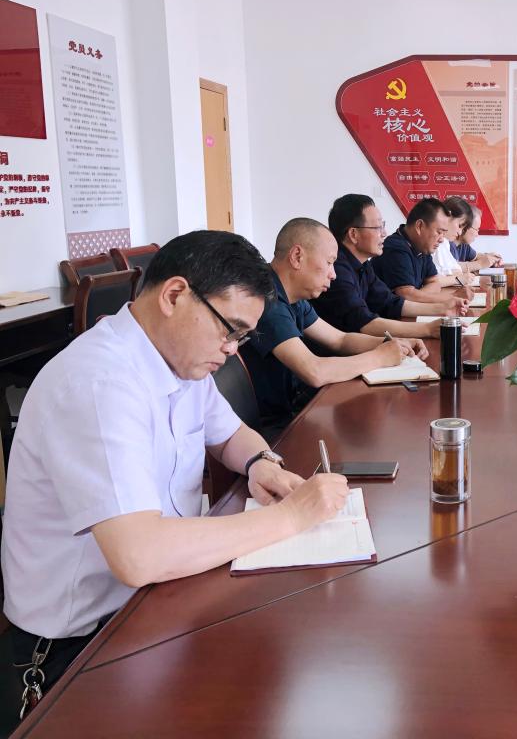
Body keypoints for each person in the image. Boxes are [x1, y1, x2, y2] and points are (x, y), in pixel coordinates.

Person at [0, 231, 351, 719]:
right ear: (174, 295)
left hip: (157, 603)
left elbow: (230, 434)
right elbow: (139, 556)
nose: (230, 350)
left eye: (241, 338)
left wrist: (261, 465)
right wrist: (291, 517)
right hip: (77, 650)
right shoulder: (99, 383)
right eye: (229, 330)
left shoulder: (178, 360)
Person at [242, 218, 426, 426]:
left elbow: (340, 339)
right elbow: (314, 371)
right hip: (273, 427)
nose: (334, 274)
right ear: (297, 257)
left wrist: (393, 343)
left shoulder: (294, 297)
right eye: (329, 263)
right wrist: (379, 357)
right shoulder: (266, 301)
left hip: (297, 409)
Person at [313, 194, 467, 338]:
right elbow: (364, 323)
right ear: (354, 234)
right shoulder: (336, 270)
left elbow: (390, 302)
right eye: (377, 227)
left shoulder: (363, 265)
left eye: (383, 226)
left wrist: (443, 307)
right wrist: (427, 329)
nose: (384, 233)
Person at [372, 198, 475, 306]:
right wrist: (452, 297)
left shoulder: (421, 246)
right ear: (419, 226)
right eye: (439, 232)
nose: (441, 239)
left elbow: (434, 283)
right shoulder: (395, 248)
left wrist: (416, 295)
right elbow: (406, 296)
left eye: (443, 233)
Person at [444, 197, 502, 272]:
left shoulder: (463, 246)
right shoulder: (444, 243)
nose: (477, 234)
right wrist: (480, 264)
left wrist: (492, 259)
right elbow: (451, 268)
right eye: (476, 229)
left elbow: (476, 256)